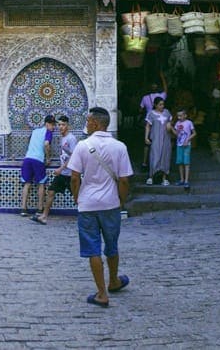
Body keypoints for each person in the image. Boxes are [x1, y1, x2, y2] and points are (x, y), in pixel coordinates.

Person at [67, 106, 133, 308]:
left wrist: (78, 198)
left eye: (88, 121)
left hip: (88, 205)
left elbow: (75, 178)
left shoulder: (83, 146)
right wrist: (120, 201)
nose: (86, 124)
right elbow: (124, 180)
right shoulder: (120, 147)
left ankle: (102, 293)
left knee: (92, 248)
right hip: (111, 204)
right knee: (111, 245)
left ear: (95, 123)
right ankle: (113, 280)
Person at [30, 115, 78, 225]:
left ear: (68, 126)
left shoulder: (71, 138)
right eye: (59, 125)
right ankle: (44, 217)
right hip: (63, 174)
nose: (61, 127)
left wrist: (61, 168)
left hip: (71, 174)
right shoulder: (63, 138)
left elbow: (74, 156)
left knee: (78, 196)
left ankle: (90, 216)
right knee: (51, 192)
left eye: (63, 125)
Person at [18, 115, 56, 216]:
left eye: (54, 125)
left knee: (27, 183)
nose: (53, 127)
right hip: (38, 160)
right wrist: (48, 158)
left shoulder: (35, 131)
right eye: (52, 125)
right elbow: (47, 144)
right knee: (41, 184)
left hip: (27, 159)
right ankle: (40, 209)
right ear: (47, 124)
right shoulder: (48, 132)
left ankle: (23, 209)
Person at [138, 74, 166, 171]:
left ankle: (144, 163)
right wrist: (163, 78)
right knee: (158, 142)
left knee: (147, 144)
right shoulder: (161, 96)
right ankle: (157, 163)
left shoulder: (145, 97)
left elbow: (140, 109)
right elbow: (166, 90)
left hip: (148, 120)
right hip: (158, 122)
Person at [144, 96, 173, 186]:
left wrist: (169, 124)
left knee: (165, 156)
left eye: (163, 104)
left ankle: (164, 178)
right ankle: (151, 177)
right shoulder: (151, 114)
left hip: (166, 138)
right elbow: (148, 126)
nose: (162, 106)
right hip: (156, 138)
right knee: (154, 156)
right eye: (160, 104)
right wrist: (146, 137)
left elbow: (171, 122)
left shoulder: (167, 112)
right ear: (155, 105)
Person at [172, 109, 196, 189]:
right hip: (179, 145)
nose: (179, 117)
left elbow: (194, 133)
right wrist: (172, 128)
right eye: (178, 116)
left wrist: (188, 139)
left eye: (181, 115)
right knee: (180, 162)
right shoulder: (177, 123)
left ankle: (186, 180)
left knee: (186, 163)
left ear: (185, 115)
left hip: (186, 145)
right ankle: (181, 179)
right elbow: (176, 134)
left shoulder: (189, 123)